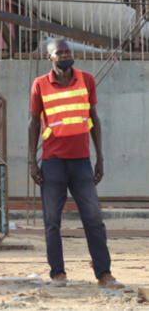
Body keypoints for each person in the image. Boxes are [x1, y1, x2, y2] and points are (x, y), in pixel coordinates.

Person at [28, 38, 125, 289]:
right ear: (49, 57)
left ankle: (104, 274)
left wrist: (100, 157)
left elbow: (94, 119)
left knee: (93, 218)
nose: (65, 55)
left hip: (81, 162)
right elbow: (33, 123)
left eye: (68, 51)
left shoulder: (87, 79)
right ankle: (58, 274)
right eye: (59, 52)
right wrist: (32, 162)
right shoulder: (39, 84)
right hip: (52, 163)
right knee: (52, 221)